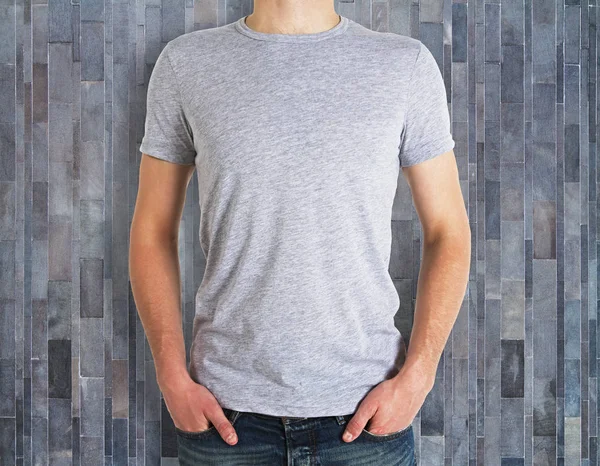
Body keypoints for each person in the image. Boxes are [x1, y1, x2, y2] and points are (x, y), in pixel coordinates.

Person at [129, 2, 470, 465]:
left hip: (365, 422)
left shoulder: (403, 65)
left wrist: (418, 378)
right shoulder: (187, 63)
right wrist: (171, 376)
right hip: (226, 420)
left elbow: (449, 231)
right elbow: (152, 230)